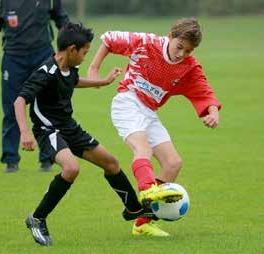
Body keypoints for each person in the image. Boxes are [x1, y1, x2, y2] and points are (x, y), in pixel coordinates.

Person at [14, 22, 182, 246]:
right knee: (71, 168)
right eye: (84, 52)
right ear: (72, 49)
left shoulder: (68, 67)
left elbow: (73, 81)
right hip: (48, 130)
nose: (85, 58)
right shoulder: (46, 72)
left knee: (111, 163)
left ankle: (133, 209)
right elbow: (20, 100)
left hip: (69, 127)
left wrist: (101, 81)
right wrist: (25, 133)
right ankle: (37, 219)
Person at [88, 17, 221, 237]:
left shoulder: (188, 66)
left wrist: (213, 112)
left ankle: (143, 222)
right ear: (170, 36)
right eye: (179, 46)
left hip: (149, 112)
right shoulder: (146, 43)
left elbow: (203, 90)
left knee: (173, 163)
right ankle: (147, 189)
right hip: (127, 101)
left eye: (187, 51)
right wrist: (94, 70)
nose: (181, 54)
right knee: (143, 150)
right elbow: (110, 39)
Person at [0, 0, 69, 172]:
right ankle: (10, 160)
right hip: (14, 58)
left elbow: (63, 21)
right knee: (10, 108)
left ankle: (48, 158)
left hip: (43, 55)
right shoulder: (1, 2)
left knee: (48, 107)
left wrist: (66, 48)